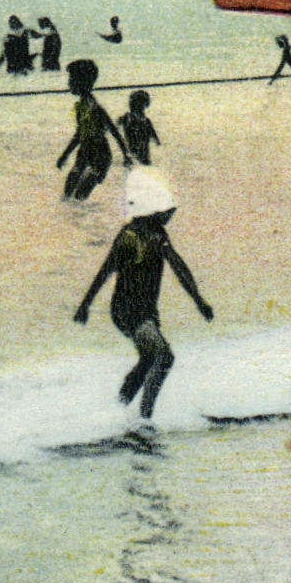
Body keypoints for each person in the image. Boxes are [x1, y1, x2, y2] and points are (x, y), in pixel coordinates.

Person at [73, 169, 213, 419]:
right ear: (153, 210)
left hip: (146, 311)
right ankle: (144, 418)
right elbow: (105, 271)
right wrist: (85, 305)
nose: (170, 216)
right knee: (164, 356)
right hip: (127, 311)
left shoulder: (158, 235)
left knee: (149, 359)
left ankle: (118, 410)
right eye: (167, 212)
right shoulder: (128, 237)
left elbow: (179, 267)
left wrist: (199, 300)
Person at [57, 59, 130, 200]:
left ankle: (80, 219)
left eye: (72, 79)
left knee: (79, 195)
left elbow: (113, 130)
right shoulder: (80, 106)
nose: (69, 83)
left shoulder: (94, 108)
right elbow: (80, 133)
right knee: (69, 192)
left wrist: (126, 155)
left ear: (82, 82)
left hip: (99, 155)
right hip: (85, 151)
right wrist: (65, 155)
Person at [118, 90, 161, 166]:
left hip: (139, 153)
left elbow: (154, 137)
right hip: (136, 152)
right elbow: (155, 138)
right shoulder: (128, 118)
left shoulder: (145, 121)